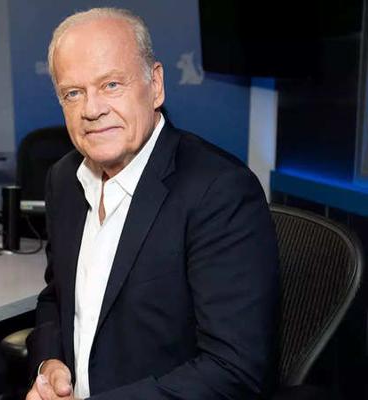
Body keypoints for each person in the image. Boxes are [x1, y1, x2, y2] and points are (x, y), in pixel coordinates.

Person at [26, 7, 279, 400]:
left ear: (156, 85)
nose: (91, 109)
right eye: (73, 93)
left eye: (111, 84)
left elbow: (234, 370)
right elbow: (55, 299)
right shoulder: (63, 179)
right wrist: (49, 367)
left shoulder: (220, 190)